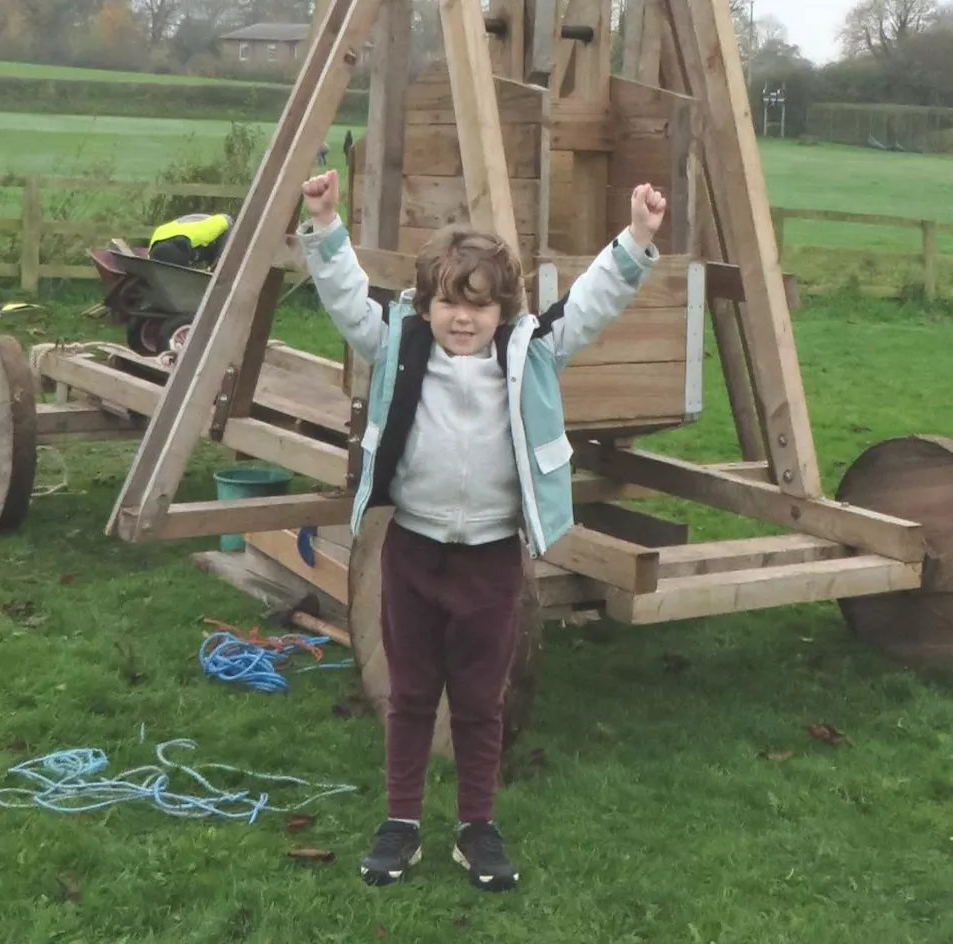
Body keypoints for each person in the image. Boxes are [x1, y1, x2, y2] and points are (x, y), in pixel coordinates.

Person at [296, 168, 666, 892]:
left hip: (494, 562)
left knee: (478, 700)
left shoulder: (530, 352)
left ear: (503, 310)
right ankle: (400, 823)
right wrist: (325, 224)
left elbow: (589, 305)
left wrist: (638, 238)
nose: (461, 319)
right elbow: (345, 298)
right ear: (425, 304)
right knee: (407, 696)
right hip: (412, 555)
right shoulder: (398, 346)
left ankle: (476, 826)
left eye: (479, 305)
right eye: (446, 303)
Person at [147, 212, 233, 269]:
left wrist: (220, 259)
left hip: (207, 227)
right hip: (179, 236)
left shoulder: (202, 232)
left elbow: (227, 220)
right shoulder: (155, 254)